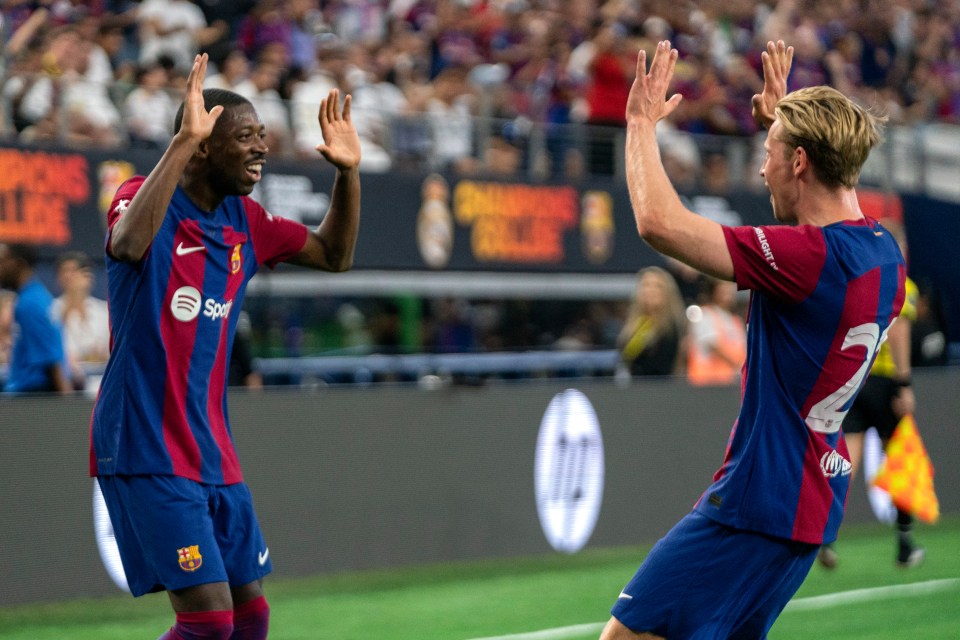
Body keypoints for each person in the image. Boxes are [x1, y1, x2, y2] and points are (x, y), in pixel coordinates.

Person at [599, 40, 905, 640]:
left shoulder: (806, 258)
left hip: (759, 499)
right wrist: (787, 120)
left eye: (768, 154)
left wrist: (638, 124)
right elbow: (821, 199)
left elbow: (659, 222)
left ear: (798, 162)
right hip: (810, 502)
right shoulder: (885, 257)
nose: (760, 168)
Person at [89, 53, 360, 640]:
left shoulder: (247, 221)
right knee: (209, 623)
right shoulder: (140, 196)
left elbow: (335, 256)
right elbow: (129, 245)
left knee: (250, 617)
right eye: (245, 137)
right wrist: (183, 140)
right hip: (144, 443)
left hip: (213, 450)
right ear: (207, 146)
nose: (261, 147)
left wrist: (348, 174)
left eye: (262, 136)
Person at [818, 219, 922, 569]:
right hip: (885, 382)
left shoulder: (861, 280)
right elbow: (899, 332)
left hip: (854, 380)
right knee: (902, 459)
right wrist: (903, 385)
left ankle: (825, 534)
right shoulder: (901, 283)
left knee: (846, 461)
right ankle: (905, 543)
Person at [0, 243, 71, 394]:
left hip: (32, 398)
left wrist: (69, 407)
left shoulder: (29, 304)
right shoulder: (35, 296)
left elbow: (52, 359)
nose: (1, 268)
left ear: (19, 265)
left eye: (3, 262)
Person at [52, 251, 111, 391]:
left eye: (77, 271)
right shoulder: (52, 309)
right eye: (66, 271)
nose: (72, 276)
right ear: (58, 277)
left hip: (102, 378)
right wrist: (73, 295)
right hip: (67, 382)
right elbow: (54, 343)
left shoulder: (103, 310)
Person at [615, 266, 686, 378]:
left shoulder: (672, 329)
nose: (650, 290)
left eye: (657, 286)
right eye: (646, 285)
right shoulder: (636, 325)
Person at [685, 277, 746, 386]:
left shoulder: (735, 320)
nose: (728, 291)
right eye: (723, 286)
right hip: (708, 384)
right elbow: (713, 346)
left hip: (731, 383)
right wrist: (740, 366)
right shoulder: (705, 315)